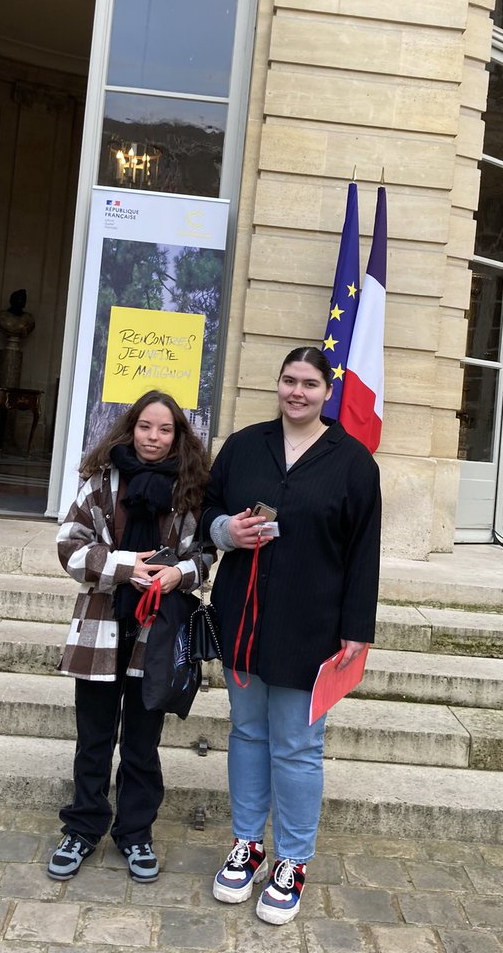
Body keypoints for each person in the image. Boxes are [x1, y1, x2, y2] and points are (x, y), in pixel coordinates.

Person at [202, 346, 381, 925]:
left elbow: (363, 554)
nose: (297, 392)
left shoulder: (353, 462)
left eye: (309, 383)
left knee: (298, 747)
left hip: (313, 625)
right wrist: (227, 530)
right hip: (243, 617)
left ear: (328, 392)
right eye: (288, 381)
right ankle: (248, 844)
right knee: (247, 732)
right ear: (276, 385)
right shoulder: (243, 446)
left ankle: (294, 859)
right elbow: (205, 510)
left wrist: (357, 628)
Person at [48, 391, 212, 884]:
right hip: (101, 626)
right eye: (146, 427)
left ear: (178, 435)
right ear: (131, 427)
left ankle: (135, 831)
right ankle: (82, 828)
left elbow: (204, 557)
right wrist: (124, 566)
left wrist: (173, 574)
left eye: (164, 430)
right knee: (94, 739)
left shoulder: (190, 488)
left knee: (143, 743)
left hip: (156, 633)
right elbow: (68, 547)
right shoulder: (100, 481)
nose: (154, 438)